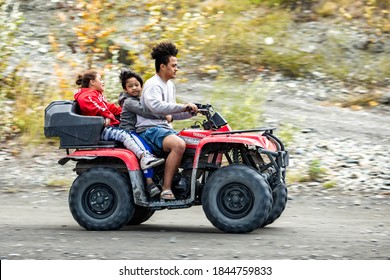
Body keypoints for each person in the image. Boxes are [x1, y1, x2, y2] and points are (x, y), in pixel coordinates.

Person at [136, 42, 198, 200]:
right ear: (163, 66)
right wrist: (183, 106)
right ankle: (166, 188)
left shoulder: (169, 85)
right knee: (179, 144)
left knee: (195, 140)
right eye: (174, 65)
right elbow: (157, 106)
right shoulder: (153, 84)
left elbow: (173, 113)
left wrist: (191, 112)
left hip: (163, 129)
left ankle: (184, 181)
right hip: (149, 131)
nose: (176, 68)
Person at [73, 70, 165, 175]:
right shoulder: (87, 95)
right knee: (124, 134)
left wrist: (124, 111)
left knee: (127, 133)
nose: (103, 82)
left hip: (103, 128)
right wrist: (106, 116)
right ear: (92, 82)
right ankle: (144, 156)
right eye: (100, 79)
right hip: (98, 130)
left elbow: (109, 107)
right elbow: (95, 107)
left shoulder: (96, 95)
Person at [118, 68, 171, 197]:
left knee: (152, 151)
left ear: (141, 86)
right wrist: (164, 116)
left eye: (137, 85)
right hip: (128, 133)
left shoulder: (138, 98)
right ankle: (149, 184)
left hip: (135, 132)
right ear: (125, 89)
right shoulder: (129, 101)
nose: (135, 88)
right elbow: (145, 112)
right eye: (130, 86)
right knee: (146, 154)